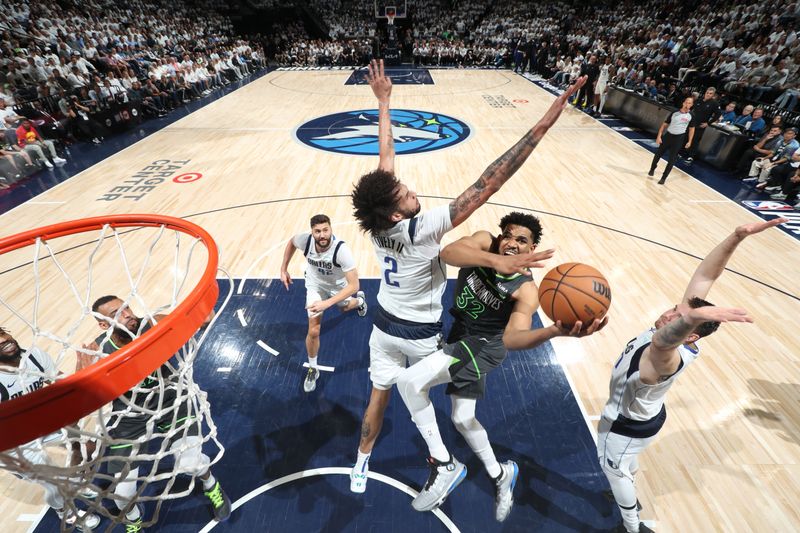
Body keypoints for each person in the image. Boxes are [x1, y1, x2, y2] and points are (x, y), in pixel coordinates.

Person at [348, 59, 587, 494]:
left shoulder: (379, 223)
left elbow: (385, 158)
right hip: (418, 332)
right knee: (415, 392)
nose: (412, 189)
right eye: (406, 193)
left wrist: (384, 102)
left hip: (382, 325)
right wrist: (544, 125)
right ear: (398, 212)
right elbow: (488, 182)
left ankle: (370, 461)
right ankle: (444, 463)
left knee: (382, 395)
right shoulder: (421, 228)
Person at [397, 212, 605, 518]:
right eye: (508, 235)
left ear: (532, 250)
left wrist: (552, 331)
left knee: (408, 382)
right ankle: (500, 474)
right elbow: (448, 252)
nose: (512, 243)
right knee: (462, 418)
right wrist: (496, 262)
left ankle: (444, 464)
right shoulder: (484, 242)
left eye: (522, 241)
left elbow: (512, 338)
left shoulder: (526, 290)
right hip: (460, 334)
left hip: (485, 346)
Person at [599, 218, 786, 533]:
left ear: (690, 337)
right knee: (627, 463)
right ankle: (628, 478)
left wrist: (693, 316)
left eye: (681, 319)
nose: (670, 314)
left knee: (613, 471)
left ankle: (632, 526)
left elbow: (660, 344)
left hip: (624, 424)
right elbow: (705, 274)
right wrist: (736, 236)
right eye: (676, 309)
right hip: (644, 420)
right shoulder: (678, 325)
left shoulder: (668, 359)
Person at [81, 296, 231, 532]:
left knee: (190, 464)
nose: (127, 313)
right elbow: (82, 399)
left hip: (170, 400)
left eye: (127, 307)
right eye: (116, 313)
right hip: (130, 414)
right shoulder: (99, 349)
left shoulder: (151, 324)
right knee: (121, 494)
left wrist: (202, 313)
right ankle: (133, 519)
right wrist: (83, 368)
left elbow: (194, 321)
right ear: (102, 324)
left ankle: (211, 484)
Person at [0, 327, 101, 531]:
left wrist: (83, 369)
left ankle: (75, 484)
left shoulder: (34, 356)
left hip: (39, 421)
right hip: (10, 440)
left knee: (87, 447)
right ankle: (65, 512)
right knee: (53, 481)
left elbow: (62, 384)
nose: (3, 340)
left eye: (1, 333)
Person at [280, 214, 367, 393]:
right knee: (314, 330)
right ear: (312, 232)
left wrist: (327, 303)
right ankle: (313, 368)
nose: (322, 235)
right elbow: (291, 242)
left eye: (325, 230)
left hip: (339, 286)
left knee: (344, 307)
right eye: (317, 231)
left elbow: (354, 285)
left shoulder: (341, 250)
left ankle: (359, 301)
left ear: (331, 229)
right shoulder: (305, 241)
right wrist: (284, 269)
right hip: (315, 286)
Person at [648, 97, 696, 184]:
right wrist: (659, 136)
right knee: (658, 154)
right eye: (686, 102)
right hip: (668, 136)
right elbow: (664, 125)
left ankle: (663, 177)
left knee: (672, 159)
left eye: (689, 103)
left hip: (679, 138)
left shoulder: (691, 115)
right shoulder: (675, 113)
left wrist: (690, 141)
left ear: (691, 105)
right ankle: (652, 168)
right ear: (683, 103)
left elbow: (692, 129)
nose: (687, 104)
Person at [685, 87, 720, 162]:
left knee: (695, 140)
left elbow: (718, 114)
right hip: (691, 123)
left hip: (700, 125)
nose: (708, 94)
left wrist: (708, 123)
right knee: (686, 137)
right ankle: (681, 152)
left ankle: (691, 156)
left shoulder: (714, 104)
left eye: (710, 93)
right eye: (707, 92)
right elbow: (691, 108)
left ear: (713, 95)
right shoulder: (699, 100)